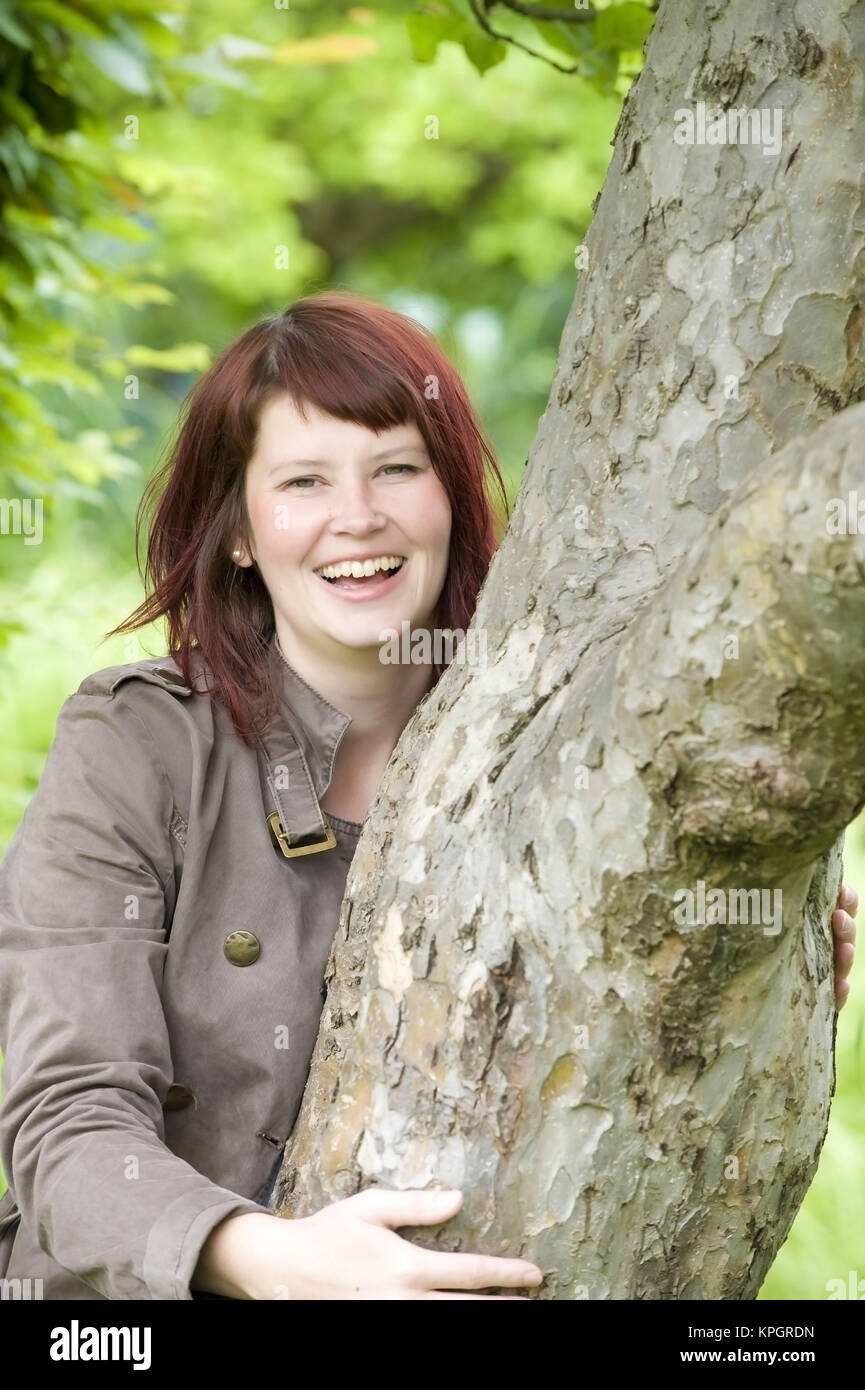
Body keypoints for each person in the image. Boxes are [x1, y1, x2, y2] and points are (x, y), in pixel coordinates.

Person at [0, 292, 857, 1300]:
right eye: (303, 480)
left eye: (396, 468)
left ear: (449, 493)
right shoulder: (135, 745)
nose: (357, 516)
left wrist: (741, 974)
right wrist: (265, 1261)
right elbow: (66, 1122)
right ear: (237, 531)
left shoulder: (567, 740)